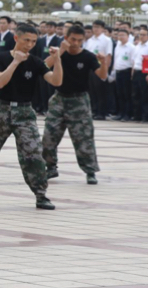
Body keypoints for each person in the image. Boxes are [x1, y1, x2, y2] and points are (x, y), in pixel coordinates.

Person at [0, 24, 63, 209]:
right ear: (16, 38)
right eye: (26, 40)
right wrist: (15, 62)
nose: (29, 45)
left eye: (33, 41)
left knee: (33, 153)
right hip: (2, 109)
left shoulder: (36, 62)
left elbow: (56, 81)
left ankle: (40, 193)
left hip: (25, 112)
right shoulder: (1, 57)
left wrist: (58, 59)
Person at [42, 25, 107, 185]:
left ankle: (90, 171)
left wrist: (104, 62)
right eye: (73, 39)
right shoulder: (58, 53)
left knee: (84, 138)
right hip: (59, 99)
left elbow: (102, 75)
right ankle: (50, 167)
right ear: (66, 38)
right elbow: (44, 66)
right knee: (49, 136)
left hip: (79, 100)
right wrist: (60, 52)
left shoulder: (88, 56)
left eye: (79, 40)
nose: (76, 43)